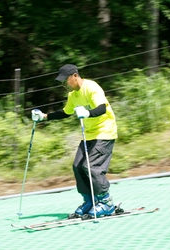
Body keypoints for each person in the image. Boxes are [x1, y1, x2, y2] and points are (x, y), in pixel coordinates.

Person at [31, 64, 118, 218]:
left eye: (67, 79)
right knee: (78, 166)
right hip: (90, 134)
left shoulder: (91, 87)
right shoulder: (73, 96)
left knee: (91, 167)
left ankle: (106, 202)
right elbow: (65, 113)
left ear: (75, 76)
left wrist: (87, 113)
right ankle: (90, 200)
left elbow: (102, 108)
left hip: (105, 131)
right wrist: (44, 117)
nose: (65, 83)